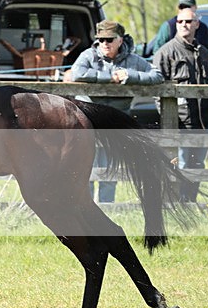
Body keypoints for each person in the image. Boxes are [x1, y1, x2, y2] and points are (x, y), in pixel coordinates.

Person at [70, 20, 164, 202]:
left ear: (120, 40)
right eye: (101, 39)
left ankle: (108, 205)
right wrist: (109, 78)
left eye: (109, 39)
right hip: (89, 119)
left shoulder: (133, 61)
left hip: (115, 122)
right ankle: (86, 205)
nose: (104, 43)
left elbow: (157, 75)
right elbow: (77, 73)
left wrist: (131, 76)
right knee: (86, 165)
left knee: (110, 166)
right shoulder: (88, 55)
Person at [153, 7, 208, 202]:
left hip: (202, 122)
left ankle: (190, 202)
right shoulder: (165, 53)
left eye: (188, 21)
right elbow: (157, 93)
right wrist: (169, 120)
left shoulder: (204, 53)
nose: (184, 25)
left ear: (197, 24)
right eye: (180, 22)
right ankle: (176, 204)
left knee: (197, 164)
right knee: (179, 164)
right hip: (179, 122)